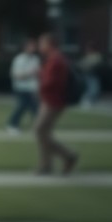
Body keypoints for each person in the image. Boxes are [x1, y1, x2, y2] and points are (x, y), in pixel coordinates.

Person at [36, 32, 79, 176]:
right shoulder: (53, 59)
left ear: (50, 44)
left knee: (40, 131)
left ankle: (68, 156)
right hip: (49, 100)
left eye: (42, 43)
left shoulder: (56, 60)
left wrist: (40, 79)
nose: (40, 46)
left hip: (54, 101)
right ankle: (46, 165)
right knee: (43, 132)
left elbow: (53, 83)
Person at [6, 38, 41, 135]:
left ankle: (39, 128)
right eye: (31, 46)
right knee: (21, 106)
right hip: (21, 88)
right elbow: (16, 75)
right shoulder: (19, 59)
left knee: (35, 109)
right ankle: (12, 125)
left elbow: (38, 75)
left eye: (34, 47)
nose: (33, 48)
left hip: (32, 88)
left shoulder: (35, 59)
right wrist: (30, 74)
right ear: (25, 47)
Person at [80, 43, 103, 108]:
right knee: (89, 89)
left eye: (88, 48)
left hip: (93, 75)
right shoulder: (88, 56)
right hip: (86, 75)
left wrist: (85, 66)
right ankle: (86, 101)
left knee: (94, 89)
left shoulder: (96, 56)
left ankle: (90, 102)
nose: (87, 50)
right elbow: (81, 64)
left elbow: (92, 64)